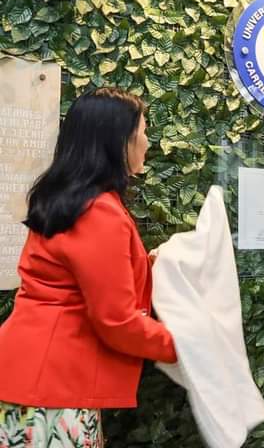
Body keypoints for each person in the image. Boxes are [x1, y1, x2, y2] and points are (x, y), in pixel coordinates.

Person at [0, 88, 177, 447]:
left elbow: (82, 276)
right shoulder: (99, 212)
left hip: (36, 381)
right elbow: (118, 321)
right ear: (119, 141)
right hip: (52, 389)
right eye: (143, 132)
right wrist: (185, 346)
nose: (148, 143)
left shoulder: (75, 200)